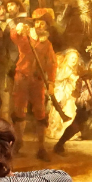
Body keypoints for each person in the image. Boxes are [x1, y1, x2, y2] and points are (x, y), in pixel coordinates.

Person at [9, 13, 57, 161]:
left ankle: (41, 148)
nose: (39, 25)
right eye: (37, 22)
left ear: (47, 26)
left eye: (42, 23)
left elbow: (52, 65)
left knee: (40, 112)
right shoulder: (26, 37)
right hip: (22, 78)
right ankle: (18, 142)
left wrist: (51, 82)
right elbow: (15, 38)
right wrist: (17, 30)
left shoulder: (47, 44)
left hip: (37, 81)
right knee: (19, 109)